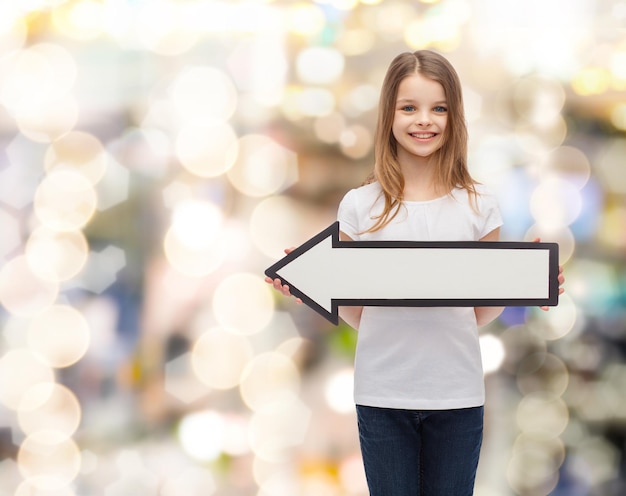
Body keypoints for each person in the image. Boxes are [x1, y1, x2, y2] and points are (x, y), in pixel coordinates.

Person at [266, 49, 565, 496]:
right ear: (389, 115)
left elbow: (479, 313)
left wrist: (522, 280)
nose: (423, 120)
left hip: (458, 395)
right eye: (409, 107)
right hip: (382, 395)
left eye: (438, 108)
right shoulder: (359, 206)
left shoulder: (478, 205)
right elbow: (359, 311)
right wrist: (311, 285)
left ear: (453, 116)